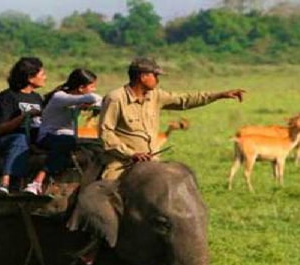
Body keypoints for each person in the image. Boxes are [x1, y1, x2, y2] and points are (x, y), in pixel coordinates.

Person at [98, 57, 245, 180]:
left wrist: (219, 95)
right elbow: (106, 133)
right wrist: (132, 154)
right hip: (122, 163)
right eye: (155, 76)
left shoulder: (156, 95)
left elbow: (184, 100)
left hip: (152, 161)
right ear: (143, 77)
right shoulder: (116, 98)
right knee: (107, 194)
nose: (157, 80)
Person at [22, 68, 103, 195]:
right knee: (66, 142)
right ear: (81, 88)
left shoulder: (75, 99)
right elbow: (94, 98)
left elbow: (98, 101)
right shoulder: (60, 97)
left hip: (67, 135)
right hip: (49, 136)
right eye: (92, 86)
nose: (94, 89)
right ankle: (38, 181)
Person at [0, 57, 46, 194]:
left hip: (32, 139)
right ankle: (6, 182)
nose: (45, 77)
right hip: (7, 140)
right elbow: (1, 128)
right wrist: (24, 116)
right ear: (30, 78)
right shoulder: (7, 97)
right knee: (20, 139)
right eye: (42, 74)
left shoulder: (37, 98)